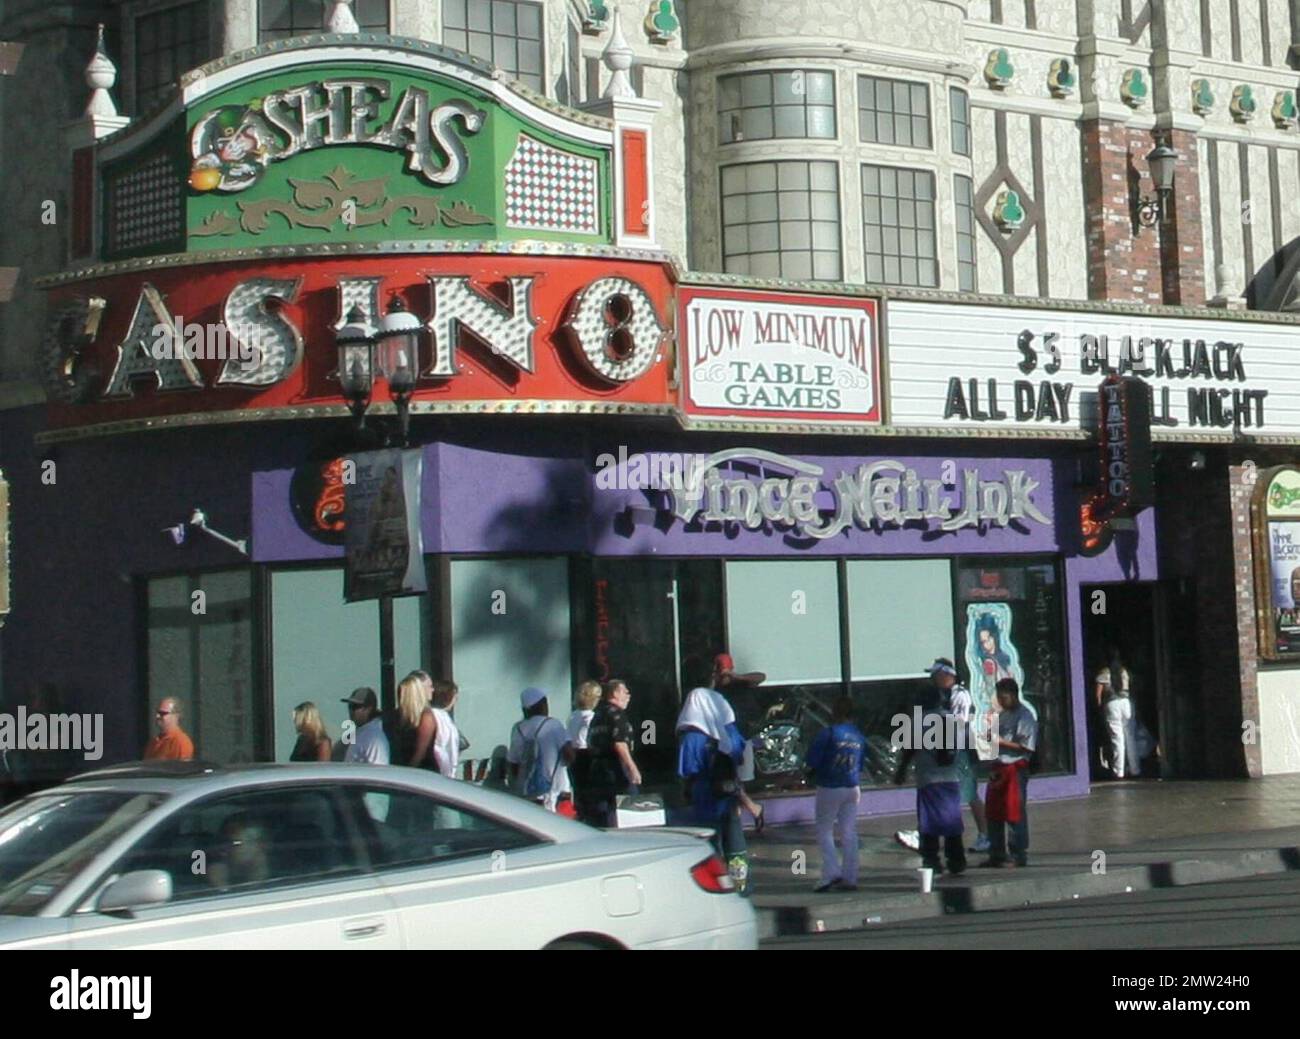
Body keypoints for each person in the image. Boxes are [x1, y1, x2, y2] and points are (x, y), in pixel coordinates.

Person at [676, 680, 749, 894]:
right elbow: (740, 756)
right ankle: (740, 883)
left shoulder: (691, 738)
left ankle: (719, 882)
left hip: (704, 795)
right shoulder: (729, 733)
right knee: (735, 839)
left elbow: (687, 771)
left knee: (711, 840)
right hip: (728, 794)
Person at [894, 685, 967, 878]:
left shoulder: (917, 721)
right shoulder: (953, 720)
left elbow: (909, 750)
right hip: (951, 778)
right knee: (952, 820)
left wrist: (901, 772)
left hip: (928, 778)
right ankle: (957, 860)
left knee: (929, 824)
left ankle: (932, 861)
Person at [806, 696, 867, 893]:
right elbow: (861, 764)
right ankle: (851, 876)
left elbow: (813, 760)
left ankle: (831, 872)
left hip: (830, 786)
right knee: (849, 832)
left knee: (824, 830)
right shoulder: (859, 736)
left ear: (835, 712)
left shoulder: (829, 733)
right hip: (852, 786)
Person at [982, 677, 1037, 869]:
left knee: (1014, 812)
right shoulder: (1003, 715)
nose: (1001, 700)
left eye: (1004, 696)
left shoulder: (1025, 716)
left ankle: (1017, 853)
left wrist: (1000, 742)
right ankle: (996, 853)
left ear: (1013, 695)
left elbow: (1026, 747)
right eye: (998, 696)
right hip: (998, 768)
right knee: (993, 813)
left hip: (1015, 768)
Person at [710, 653, 767, 833]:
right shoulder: (716, 690)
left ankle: (748, 809)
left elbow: (761, 677)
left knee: (737, 780)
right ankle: (745, 811)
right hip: (722, 741)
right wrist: (715, 680)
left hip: (741, 737)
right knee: (728, 780)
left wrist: (735, 676)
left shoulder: (740, 684)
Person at [581, 679, 641, 827]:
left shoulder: (598, 715)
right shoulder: (617, 714)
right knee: (630, 809)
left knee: (603, 813)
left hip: (598, 771)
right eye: (625, 692)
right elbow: (619, 743)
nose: (629, 696)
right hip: (617, 770)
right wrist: (632, 768)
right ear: (615, 693)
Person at [507, 687, 574, 812]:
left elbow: (513, 763)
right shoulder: (553, 725)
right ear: (542, 705)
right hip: (556, 791)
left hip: (528, 794)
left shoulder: (518, 729)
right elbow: (569, 754)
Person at [1095, 647, 1140, 779]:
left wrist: (1099, 708)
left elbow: (1098, 695)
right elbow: (1134, 687)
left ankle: (1118, 771)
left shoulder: (1104, 673)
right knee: (1130, 737)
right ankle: (1135, 769)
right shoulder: (1125, 671)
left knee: (1117, 739)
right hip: (1126, 702)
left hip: (1112, 703)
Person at [208, 815, 271, 889]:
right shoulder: (224, 873)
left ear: (261, 845)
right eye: (226, 842)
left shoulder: (282, 882)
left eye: (236, 843)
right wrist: (220, 884)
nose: (226, 850)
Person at [393, 673, 437, 770]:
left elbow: (420, 753)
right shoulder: (399, 717)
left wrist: (407, 773)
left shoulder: (426, 717)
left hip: (422, 772)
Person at [342, 687, 389, 764]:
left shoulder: (374, 737)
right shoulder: (359, 732)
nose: (351, 711)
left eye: (355, 707)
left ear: (368, 709)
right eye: (350, 706)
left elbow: (377, 771)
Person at [428, 679, 462, 778]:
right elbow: (448, 748)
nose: (456, 699)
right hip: (442, 773)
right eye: (455, 695)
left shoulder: (431, 714)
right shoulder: (441, 718)